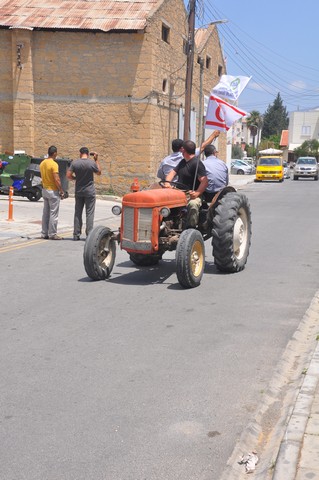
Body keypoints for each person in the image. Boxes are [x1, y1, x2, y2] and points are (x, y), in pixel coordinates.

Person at [165, 140, 208, 228]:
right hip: (179, 192)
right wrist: (167, 183)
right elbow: (172, 173)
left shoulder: (197, 164)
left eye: (182, 149)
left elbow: (205, 181)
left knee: (193, 204)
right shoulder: (183, 162)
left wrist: (197, 193)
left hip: (191, 194)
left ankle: (190, 228)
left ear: (183, 150)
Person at [67, 147, 102, 240]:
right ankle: (89, 234)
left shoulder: (75, 163)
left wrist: (76, 178)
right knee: (89, 213)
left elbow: (68, 176)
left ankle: (76, 234)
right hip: (90, 191)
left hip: (79, 191)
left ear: (80, 153)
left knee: (78, 212)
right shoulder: (91, 163)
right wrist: (96, 160)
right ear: (88, 153)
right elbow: (99, 172)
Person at [39, 145, 65, 240]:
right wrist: (61, 190)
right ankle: (52, 234)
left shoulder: (42, 163)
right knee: (53, 213)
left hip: (44, 189)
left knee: (45, 213)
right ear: (54, 153)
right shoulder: (54, 164)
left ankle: (44, 233)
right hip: (53, 191)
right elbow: (57, 179)